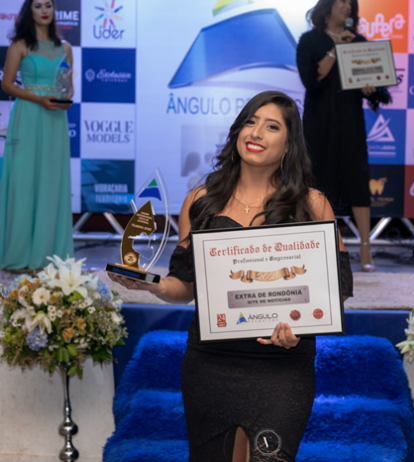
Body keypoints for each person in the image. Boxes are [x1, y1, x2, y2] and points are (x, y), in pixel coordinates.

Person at [109, 91, 354, 462]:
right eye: (250, 122)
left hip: (283, 368)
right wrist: (150, 282)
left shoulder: (312, 204)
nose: (256, 132)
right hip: (210, 364)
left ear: (289, 144)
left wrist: (303, 327)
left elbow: (338, 287)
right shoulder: (200, 200)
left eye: (271, 126)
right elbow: (185, 286)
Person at [296, 0, 391, 272]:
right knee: (317, 182)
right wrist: (337, 48)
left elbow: (380, 90)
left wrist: (371, 87)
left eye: (351, 3)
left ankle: (365, 248)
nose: (347, 6)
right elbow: (311, 80)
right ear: (327, 6)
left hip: (350, 122)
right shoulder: (309, 41)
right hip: (319, 123)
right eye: (342, 1)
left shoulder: (359, 42)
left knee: (357, 181)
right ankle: (318, 248)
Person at [0, 0, 73, 270]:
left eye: (49, 5)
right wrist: (39, 99)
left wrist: (65, 98)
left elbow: (68, 88)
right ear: (29, 11)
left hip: (55, 120)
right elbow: (7, 84)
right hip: (28, 117)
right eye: (38, 5)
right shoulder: (20, 44)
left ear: (54, 11)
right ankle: (19, 254)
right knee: (24, 182)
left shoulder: (65, 47)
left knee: (51, 184)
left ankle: (48, 256)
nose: (44, 10)